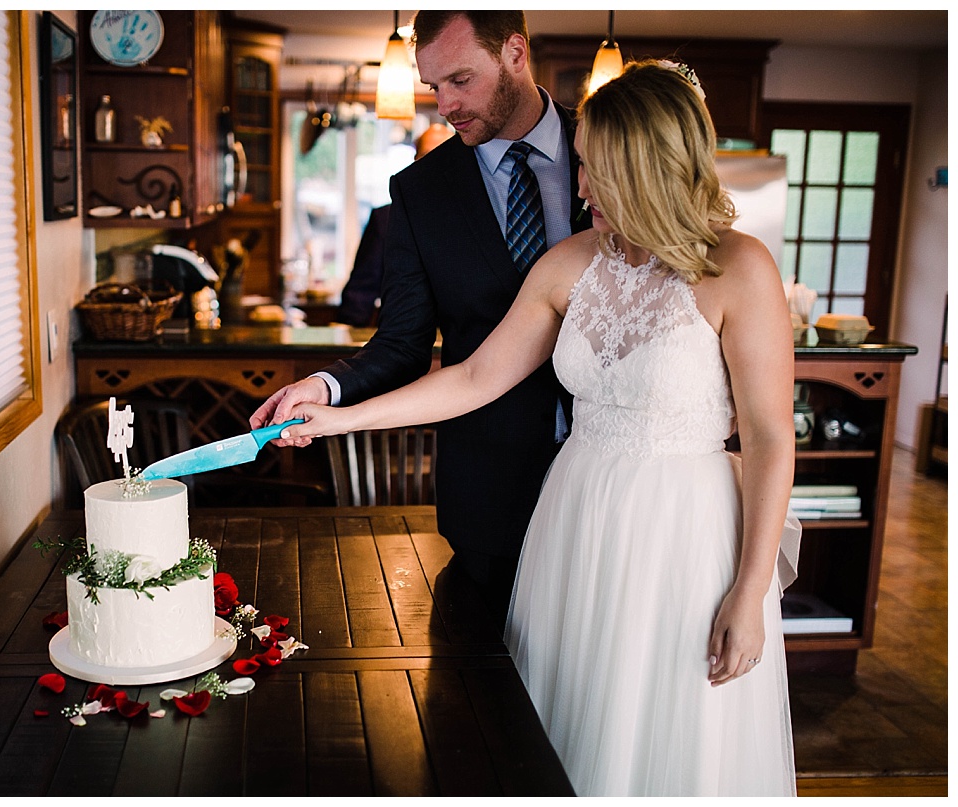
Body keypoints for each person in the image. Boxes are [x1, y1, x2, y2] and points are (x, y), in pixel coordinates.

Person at [278, 60, 800, 796]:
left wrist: (750, 591)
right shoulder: (570, 263)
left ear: (646, 171)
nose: (578, 186)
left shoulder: (740, 269)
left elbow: (773, 437)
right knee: (561, 726)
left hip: (681, 537)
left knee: (664, 723)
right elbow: (471, 378)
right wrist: (339, 418)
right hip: (575, 521)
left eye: (594, 170)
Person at [252, 11, 589, 628]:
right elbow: (402, 343)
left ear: (515, 52)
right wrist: (324, 388)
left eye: (461, 79)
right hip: (489, 489)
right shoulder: (419, 192)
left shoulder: (601, 146)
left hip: (609, 478)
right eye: (434, 87)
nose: (446, 106)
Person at [336, 123, 454, 327]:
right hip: (404, 341)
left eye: (444, 155)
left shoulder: (478, 214)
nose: (436, 163)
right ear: (416, 162)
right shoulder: (386, 218)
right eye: (427, 155)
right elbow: (360, 293)